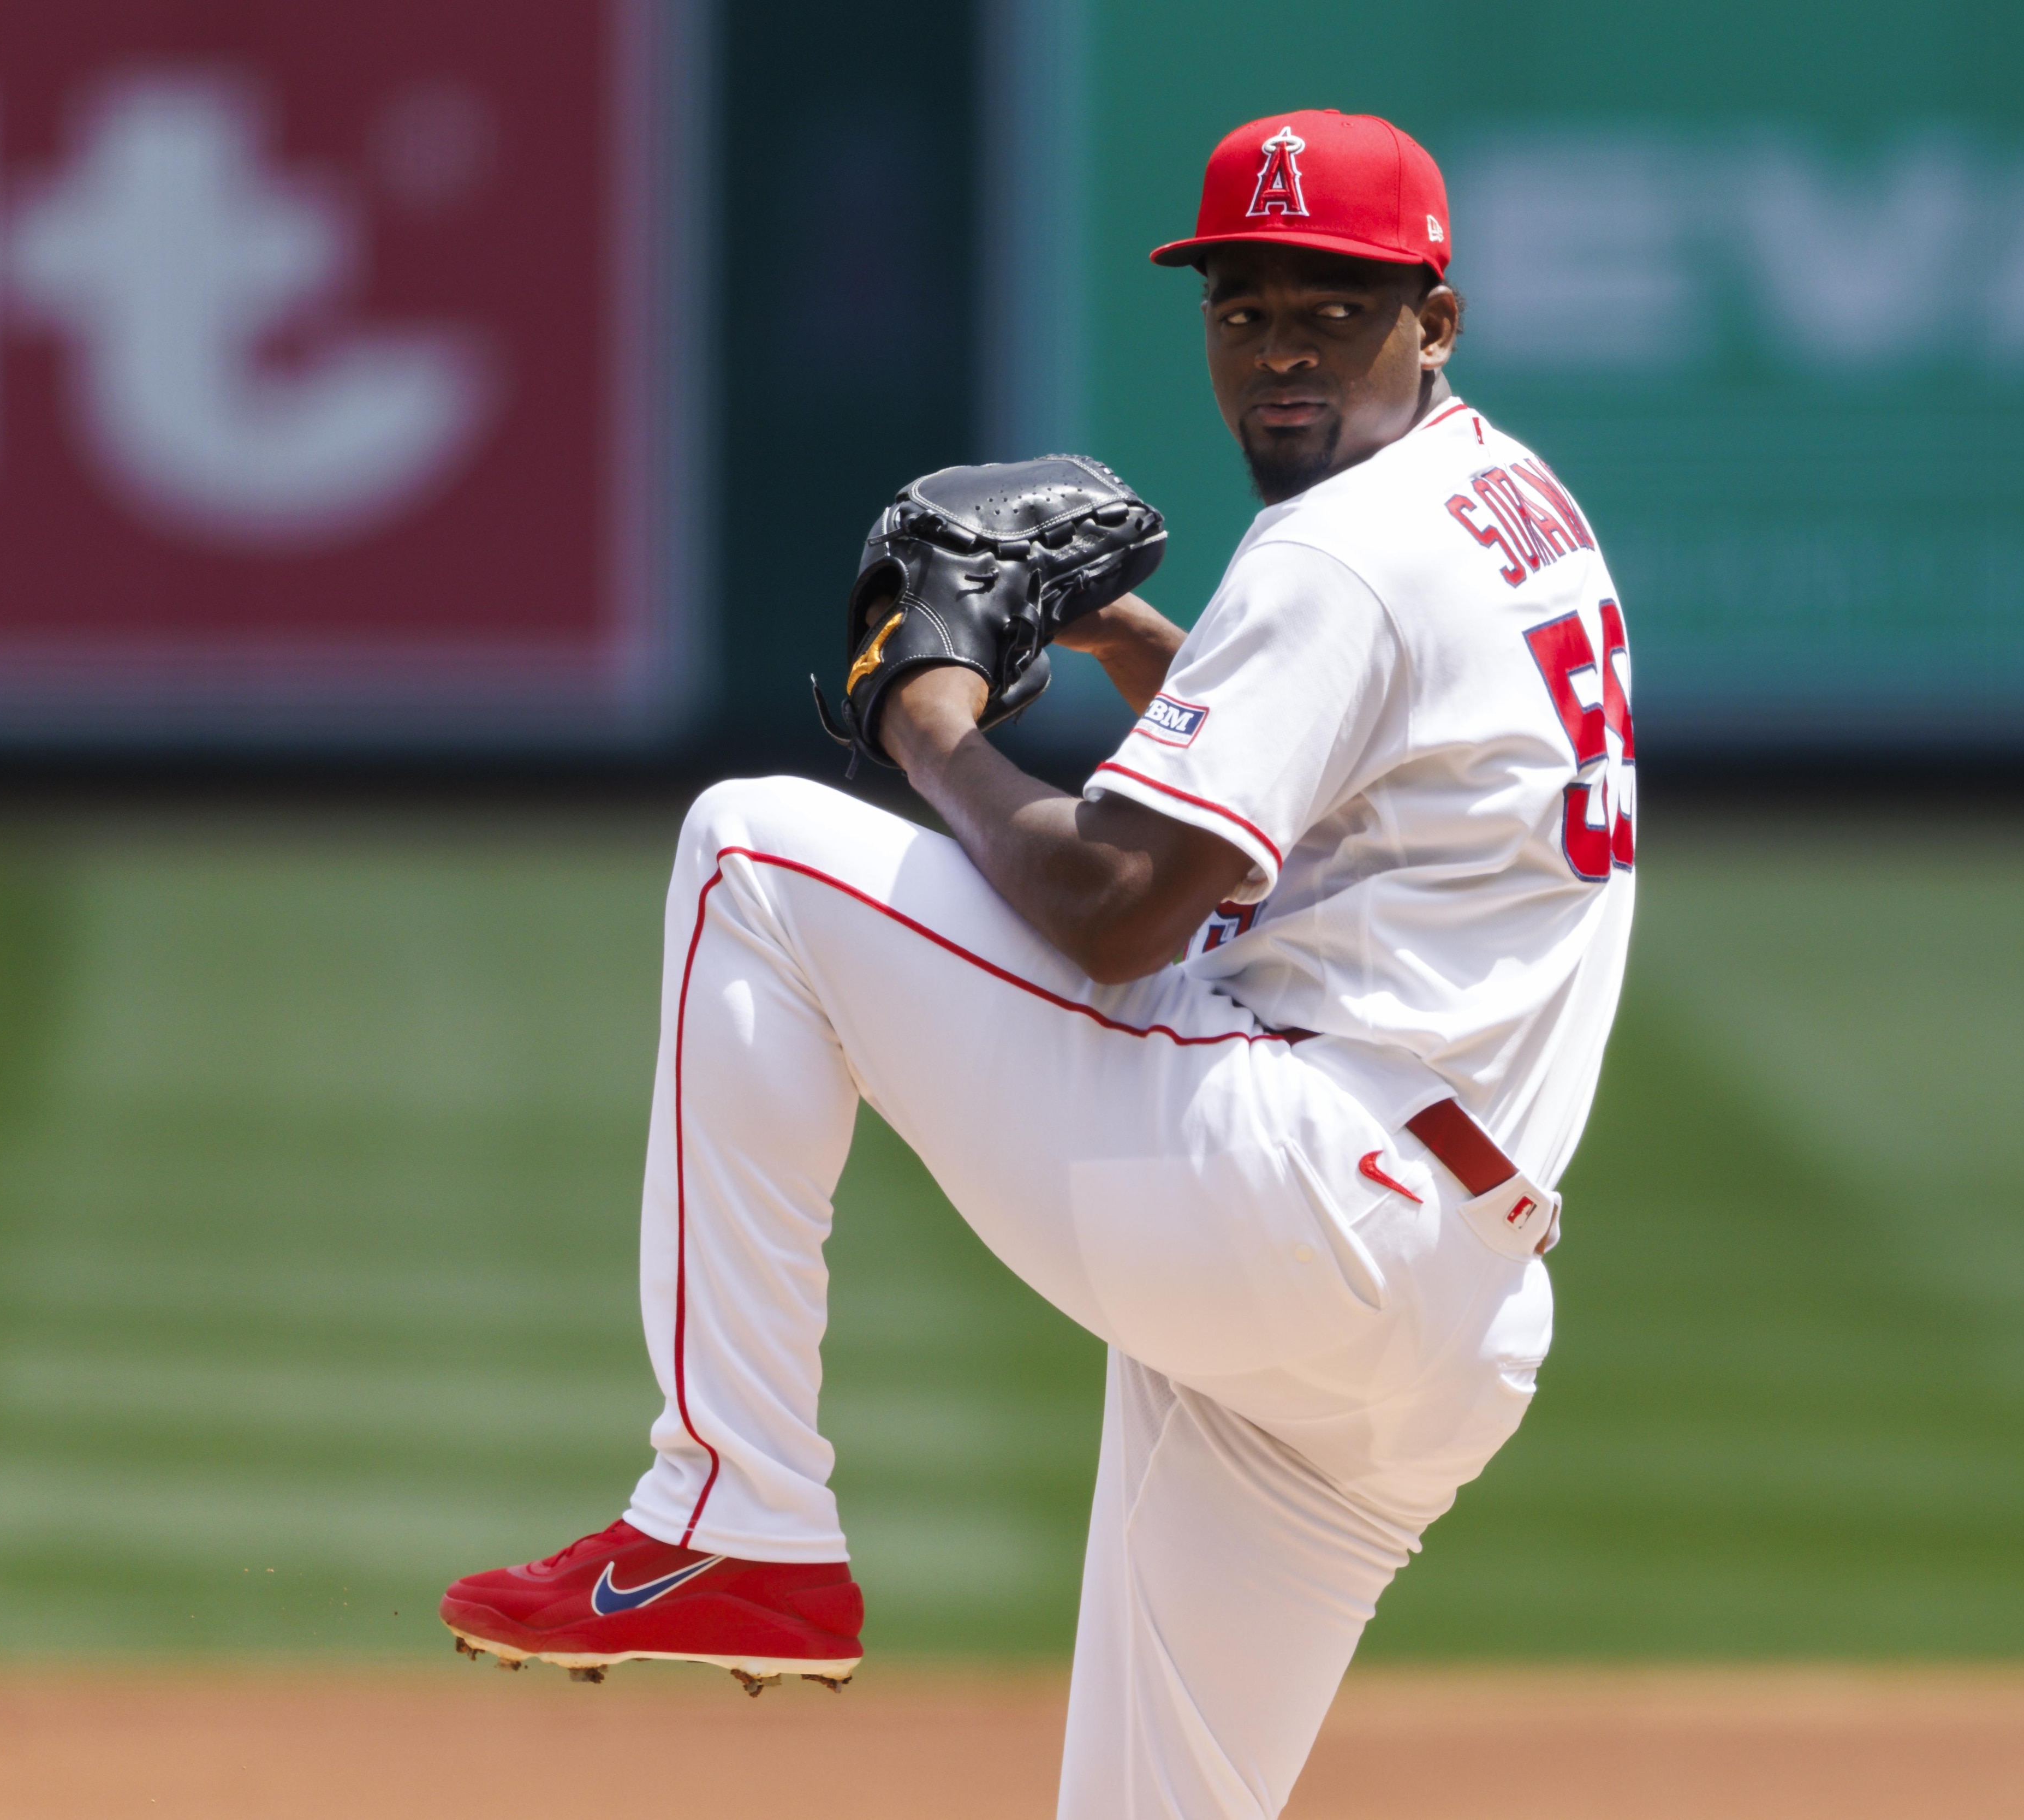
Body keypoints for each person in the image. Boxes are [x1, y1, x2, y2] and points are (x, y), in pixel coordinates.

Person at [438, 109, 1636, 1819]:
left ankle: (733, 1513)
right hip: (1449, 1313)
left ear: (1433, 318)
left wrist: (926, 723)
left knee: (752, 854)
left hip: (1297, 1199)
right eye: (1244, 310)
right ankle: (737, 1522)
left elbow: (1120, 907)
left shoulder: (1338, 551)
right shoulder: (1512, 504)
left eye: (1335, 308)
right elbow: (1329, 801)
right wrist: (1140, 645)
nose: (1282, 353)